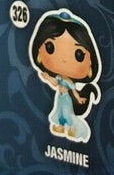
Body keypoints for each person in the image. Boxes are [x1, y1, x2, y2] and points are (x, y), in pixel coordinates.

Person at [29, 10, 101, 143]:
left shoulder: (69, 83)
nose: (64, 59)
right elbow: (54, 83)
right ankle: (61, 127)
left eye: (79, 55)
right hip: (60, 99)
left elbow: (74, 91)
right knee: (60, 113)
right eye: (50, 47)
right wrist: (46, 77)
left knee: (67, 113)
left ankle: (73, 128)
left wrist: (79, 99)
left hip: (67, 99)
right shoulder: (60, 79)